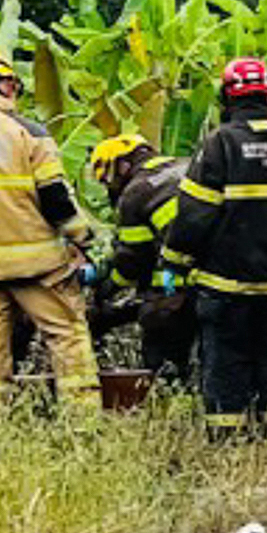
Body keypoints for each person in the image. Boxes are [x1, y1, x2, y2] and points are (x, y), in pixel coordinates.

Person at [0, 52, 99, 411]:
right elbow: (56, 199)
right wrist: (84, 240)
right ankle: (83, 421)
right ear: (9, 85)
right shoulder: (29, 133)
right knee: (67, 337)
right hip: (37, 267)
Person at [170, 55, 267, 432]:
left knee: (226, 363)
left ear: (226, 98)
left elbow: (195, 214)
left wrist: (173, 264)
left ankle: (228, 440)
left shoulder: (220, 144)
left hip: (225, 284)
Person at [91, 130, 196, 386]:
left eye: (108, 179)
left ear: (122, 165)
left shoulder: (136, 192)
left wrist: (108, 286)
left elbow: (132, 260)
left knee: (159, 330)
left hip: (181, 282)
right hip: (228, 275)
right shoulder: (189, 165)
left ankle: (168, 393)